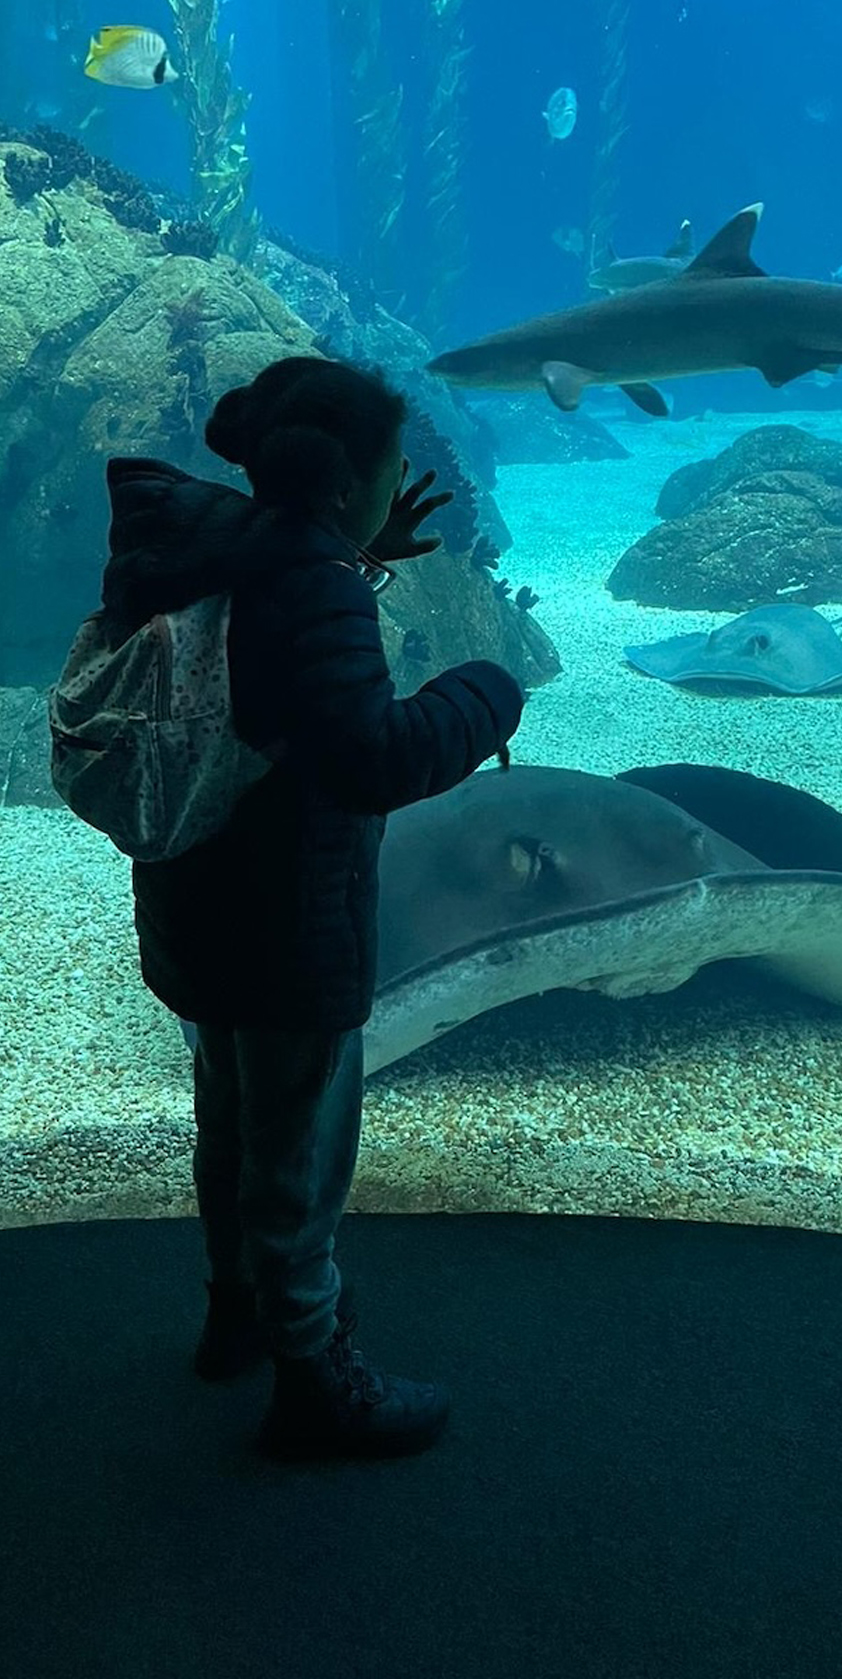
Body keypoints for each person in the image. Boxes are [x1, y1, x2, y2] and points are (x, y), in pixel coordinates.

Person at [98, 356, 524, 1461]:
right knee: (300, 1154)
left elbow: (262, 669)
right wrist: (486, 691)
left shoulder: (201, 540)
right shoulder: (312, 583)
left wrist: (358, 552)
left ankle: (233, 1314)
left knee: (231, 1125)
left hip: (198, 901)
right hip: (291, 920)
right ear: (349, 482)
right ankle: (313, 1373)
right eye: (391, 468)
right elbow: (370, 755)